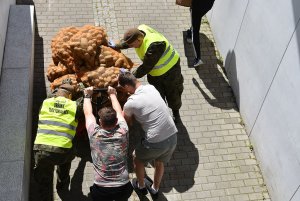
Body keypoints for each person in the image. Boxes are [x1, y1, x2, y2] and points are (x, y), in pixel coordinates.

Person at [117, 71, 178, 198]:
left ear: (127, 87)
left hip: (155, 141)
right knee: (159, 162)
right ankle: (155, 189)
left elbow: (126, 121)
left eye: (123, 88)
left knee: (136, 158)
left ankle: (141, 186)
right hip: (173, 135)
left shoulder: (131, 102)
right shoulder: (151, 87)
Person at [112, 24, 184, 123]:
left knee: (173, 94)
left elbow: (146, 67)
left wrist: (129, 76)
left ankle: (176, 113)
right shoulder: (140, 30)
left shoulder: (155, 45)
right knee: (158, 96)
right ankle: (162, 114)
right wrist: (117, 45)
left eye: (133, 45)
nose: (132, 47)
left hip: (171, 71)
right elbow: (129, 42)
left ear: (138, 40)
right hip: (155, 74)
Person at [83, 86, 133, 201]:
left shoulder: (94, 133)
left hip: (101, 188)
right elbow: (119, 113)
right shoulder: (123, 130)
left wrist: (87, 96)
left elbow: (88, 113)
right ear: (116, 121)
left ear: (99, 122)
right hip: (123, 186)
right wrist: (112, 94)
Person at [33, 83, 80, 201]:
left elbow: (51, 97)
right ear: (70, 96)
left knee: (43, 178)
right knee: (64, 170)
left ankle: (44, 195)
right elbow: (83, 102)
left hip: (41, 150)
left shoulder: (45, 102)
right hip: (63, 151)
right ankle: (62, 187)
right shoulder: (74, 106)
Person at [186, 0, 215, 67]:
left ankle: (198, 58)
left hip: (197, 5)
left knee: (195, 31)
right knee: (196, 20)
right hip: (208, 6)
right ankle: (190, 32)